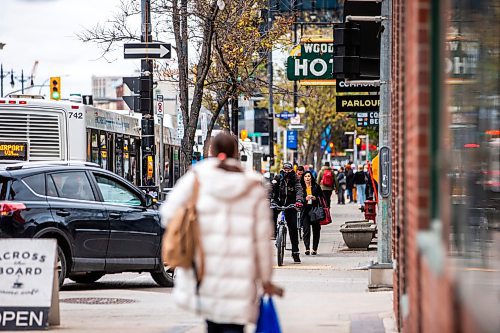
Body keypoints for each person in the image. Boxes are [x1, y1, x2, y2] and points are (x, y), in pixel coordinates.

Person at [160, 133, 282, 333]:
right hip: (241, 277)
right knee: (235, 327)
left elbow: (167, 214)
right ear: (236, 153)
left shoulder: (196, 179)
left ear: (212, 152)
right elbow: (263, 240)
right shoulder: (253, 186)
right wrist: (266, 278)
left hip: (205, 272)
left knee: (213, 325)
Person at [271, 162, 304, 263]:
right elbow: (270, 190)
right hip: (278, 202)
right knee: (271, 212)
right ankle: (274, 233)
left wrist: (298, 201)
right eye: (285, 169)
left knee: (293, 228)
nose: (286, 171)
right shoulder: (277, 178)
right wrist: (269, 200)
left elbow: (299, 191)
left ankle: (295, 252)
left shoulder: (295, 179)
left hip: (291, 204)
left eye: (288, 170)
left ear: (291, 170)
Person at [300, 171, 325, 255]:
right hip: (305, 210)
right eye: (306, 176)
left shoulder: (316, 187)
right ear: (303, 178)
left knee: (316, 230)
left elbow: (322, 197)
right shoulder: (301, 187)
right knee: (306, 230)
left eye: (309, 176)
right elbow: (298, 199)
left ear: (311, 177)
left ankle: (314, 249)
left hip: (315, 210)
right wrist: (305, 199)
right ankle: (307, 248)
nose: (307, 178)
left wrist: (315, 198)